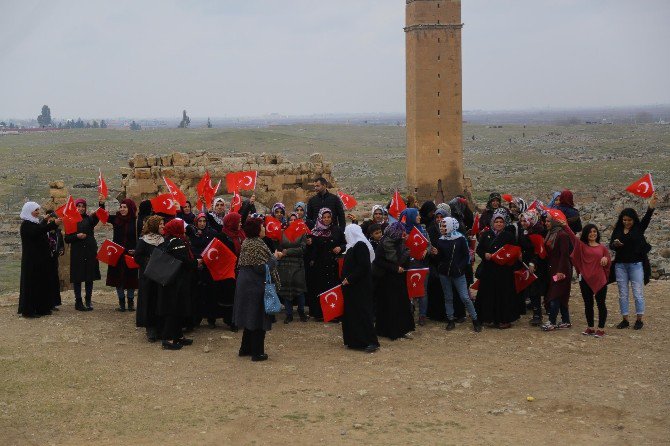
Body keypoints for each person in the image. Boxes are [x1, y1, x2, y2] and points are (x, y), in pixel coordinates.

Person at [233, 218, 280, 361]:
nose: (264, 229)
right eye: (262, 227)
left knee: (249, 316)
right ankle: (257, 352)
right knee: (259, 318)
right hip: (254, 284)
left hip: (246, 283)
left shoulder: (248, 241)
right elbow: (261, 268)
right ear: (257, 230)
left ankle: (245, 348)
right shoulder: (255, 244)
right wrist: (274, 257)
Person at [609, 193, 656, 330]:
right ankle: (625, 319)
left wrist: (651, 206)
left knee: (637, 292)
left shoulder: (638, 229)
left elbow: (647, 219)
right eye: (624, 220)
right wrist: (615, 245)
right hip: (620, 265)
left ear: (634, 220)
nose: (627, 222)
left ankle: (639, 319)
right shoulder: (617, 229)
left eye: (629, 220)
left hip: (636, 265)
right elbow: (611, 244)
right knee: (623, 293)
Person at [157, 219, 200, 350]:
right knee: (174, 310)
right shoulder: (177, 242)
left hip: (171, 280)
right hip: (177, 281)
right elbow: (183, 260)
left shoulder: (168, 240)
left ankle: (178, 336)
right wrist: (196, 262)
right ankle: (168, 339)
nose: (185, 229)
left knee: (178, 308)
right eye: (182, 227)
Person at [563, 223, 611, 337]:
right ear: (586, 233)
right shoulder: (582, 246)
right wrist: (565, 226)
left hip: (600, 279)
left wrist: (606, 259)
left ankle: (601, 328)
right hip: (585, 279)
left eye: (594, 231)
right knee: (588, 304)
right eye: (590, 232)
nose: (592, 234)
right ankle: (590, 327)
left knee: (601, 304)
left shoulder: (602, 248)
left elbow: (608, 260)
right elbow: (572, 237)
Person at [435, 218, 482, 332]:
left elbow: (466, 256)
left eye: (444, 226)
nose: (441, 228)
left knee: (465, 297)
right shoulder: (440, 240)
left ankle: (475, 319)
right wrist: (436, 255)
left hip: (458, 274)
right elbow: (440, 258)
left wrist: (459, 268)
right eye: (441, 226)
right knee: (448, 297)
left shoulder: (460, 239)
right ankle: (450, 320)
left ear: (451, 226)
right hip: (444, 273)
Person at [475, 210, 519, 329]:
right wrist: (485, 255)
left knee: (503, 295)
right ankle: (488, 318)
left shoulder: (508, 236)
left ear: (504, 223)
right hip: (489, 270)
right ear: (493, 222)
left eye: (501, 221)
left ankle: (504, 319)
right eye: (496, 221)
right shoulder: (487, 234)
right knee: (488, 294)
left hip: (503, 271)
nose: (499, 224)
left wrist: (505, 258)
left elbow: (514, 251)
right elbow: (479, 249)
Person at [372, 222, 415, 340]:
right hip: (386, 279)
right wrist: (395, 268)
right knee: (389, 306)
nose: (403, 234)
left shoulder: (399, 241)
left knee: (400, 305)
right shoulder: (384, 243)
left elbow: (402, 257)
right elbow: (379, 261)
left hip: (398, 279)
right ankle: (390, 332)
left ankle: (401, 330)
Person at [18, 202, 61, 318]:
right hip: (31, 262)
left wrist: (45, 220)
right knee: (32, 285)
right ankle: (29, 311)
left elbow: (39, 229)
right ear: (28, 211)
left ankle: (41, 308)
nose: (38, 212)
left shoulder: (33, 223)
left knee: (40, 284)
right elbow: (37, 231)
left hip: (39, 261)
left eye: (38, 210)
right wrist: (53, 224)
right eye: (35, 210)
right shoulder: (26, 225)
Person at [341, 225, 379, 352]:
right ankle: (356, 340)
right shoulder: (351, 247)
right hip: (352, 288)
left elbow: (363, 267)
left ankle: (371, 341)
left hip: (360, 287)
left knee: (363, 313)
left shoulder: (360, 245)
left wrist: (350, 278)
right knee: (353, 313)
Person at [305, 208, 346, 321]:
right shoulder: (314, 231)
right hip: (319, 265)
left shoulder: (336, 230)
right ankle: (319, 314)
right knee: (319, 288)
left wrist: (340, 247)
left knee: (332, 289)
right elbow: (310, 250)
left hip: (332, 264)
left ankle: (333, 314)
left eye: (328, 217)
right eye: (324, 217)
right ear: (320, 218)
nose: (326, 219)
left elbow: (345, 243)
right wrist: (309, 243)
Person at [399, 207, 436, 326]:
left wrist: (427, 250)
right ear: (410, 217)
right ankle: (409, 314)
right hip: (408, 266)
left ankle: (422, 315)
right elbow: (399, 249)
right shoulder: (402, 232)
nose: (419, 217)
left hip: (422, 265)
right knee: (408, 291)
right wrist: (404, 241)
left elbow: (430, 246)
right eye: (416, 215)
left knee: (422, 292)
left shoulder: (423, 230)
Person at [101, 197, 139, 312]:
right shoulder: (116, 219)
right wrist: (101, 204)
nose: (122, 209)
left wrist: (137, 249)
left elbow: (140, 237)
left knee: (131, 279)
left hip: (130, 253)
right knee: (118, 278)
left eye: (125, 207)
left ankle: (131, 302)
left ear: (130, 208)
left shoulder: (136, 221)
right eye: (121, 207)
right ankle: (121, 302)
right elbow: (103, 216)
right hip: (116, 252)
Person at [64, 198, 101, 311]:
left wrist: (101, 202)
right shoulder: (70, 220)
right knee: (78, 277)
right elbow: (67, 239)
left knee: (89, 277)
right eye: (78, 206)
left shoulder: (89, 219)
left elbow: (100, 214)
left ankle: (88, 300)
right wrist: (77, 236)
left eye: (83, 206)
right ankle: (78, 302)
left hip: (89, 251)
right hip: (78, 252)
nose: (81, 208)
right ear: (75, 208)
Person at [133, 215, 164, 342]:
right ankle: (150, 328)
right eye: (161, 224)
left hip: (160, 276)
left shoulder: (162, 240)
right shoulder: (144, 240)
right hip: (147, 277)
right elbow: (137, 257)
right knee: (148, 300)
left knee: (158, 300)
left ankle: (159, 327)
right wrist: (150, 261)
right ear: (154, 225)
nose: (163, 226)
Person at [541, 210, 573, 331]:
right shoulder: (550, 233)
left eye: (549, 221)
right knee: (561, 295)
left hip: (561, 271)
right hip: (553, 269)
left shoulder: (562, 236)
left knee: (554, 295)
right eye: (546, 221)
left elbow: (564, 255)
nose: (546, 223)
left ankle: (552, 321)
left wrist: (560, 271)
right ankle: (565, 321)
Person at [276, 212, 308, 323]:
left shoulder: (302, 233)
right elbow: (279, 247)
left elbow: (303, 248)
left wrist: (287, 251)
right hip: (285, 265)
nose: (292, 221)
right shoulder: (283, 232)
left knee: (299, 290)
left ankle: (301, 312)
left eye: (295, 220)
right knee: (286, 290)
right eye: (291, 219)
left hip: (297, 264)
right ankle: (288, 314)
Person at [519, 209, 547, 326]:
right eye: (521, 221)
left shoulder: (537, 233)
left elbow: (538, 250)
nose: (523, 223)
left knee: (535, 290)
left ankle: (537, 315)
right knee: (531, 289)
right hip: (527, 264)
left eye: (525, 221)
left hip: (536, 266)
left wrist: (533, 263)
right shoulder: (527, 232)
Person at [45, 211, 64, 311]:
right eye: (50, 221)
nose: (51, 223)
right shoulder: (44, 232)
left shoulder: (57, 232)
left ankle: (53, 303)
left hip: (54, 260)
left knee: (54, 280)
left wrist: (61, 250)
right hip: (45, 260)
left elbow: (60, 244)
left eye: (53, 221)